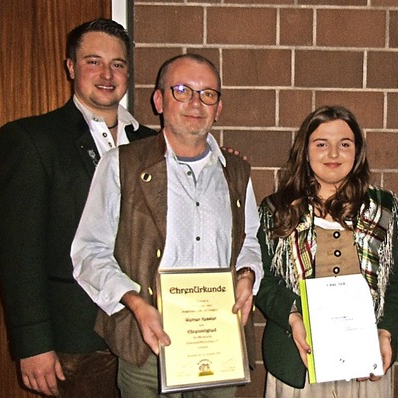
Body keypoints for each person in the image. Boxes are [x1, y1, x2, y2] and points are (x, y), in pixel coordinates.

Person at [71, 53, 263, 397]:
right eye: (182, 90)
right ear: (159, 100)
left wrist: (247, 276)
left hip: (218, 345)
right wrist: (135, 304)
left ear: (218, 107)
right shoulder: (121, 165)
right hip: (148, 349)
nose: (196, 102)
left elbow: (249, 242)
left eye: (208, 94)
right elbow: (90, 252)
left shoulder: (236, 172)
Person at [0, 19, 156, 397]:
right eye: (93, 61)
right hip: (75, 339)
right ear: (70, 67)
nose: (106, 74)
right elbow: (19, 251)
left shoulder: (155, 144)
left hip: (147, 336)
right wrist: (33, 343)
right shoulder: (32, 140)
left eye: (117, 64)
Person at [255, 105, 398, 397]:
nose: (333, 154)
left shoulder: (385, 208)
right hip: (298, 359)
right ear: (305, 151)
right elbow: (263, 281)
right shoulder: (276, 210)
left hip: (366, 363)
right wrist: (293, 317)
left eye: (344, 144)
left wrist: (385, 332)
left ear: (357, 152)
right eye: (321, 144)